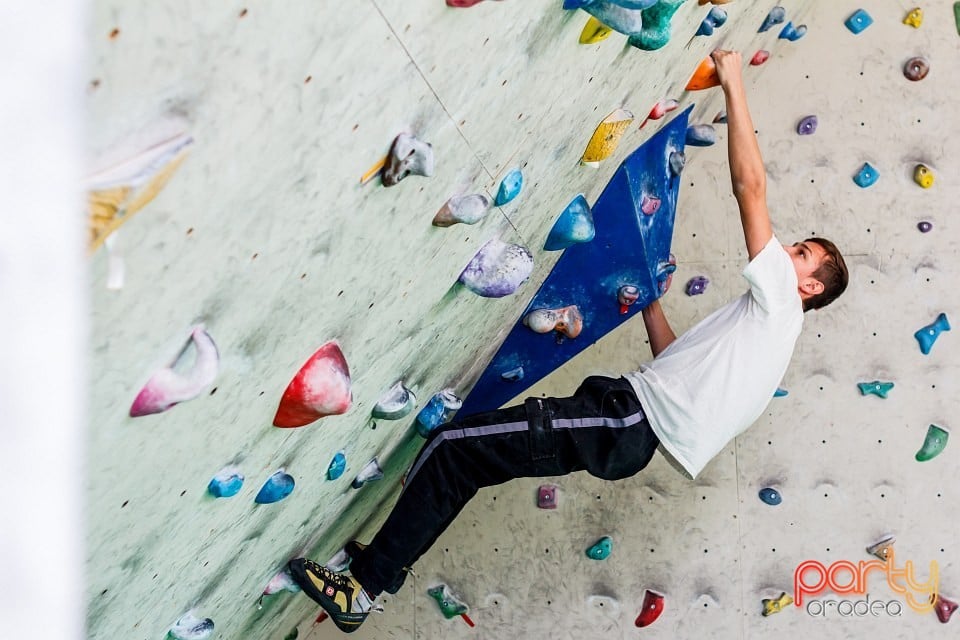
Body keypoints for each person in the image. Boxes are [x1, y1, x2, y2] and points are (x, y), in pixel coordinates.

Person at [287, 50, 849, 634]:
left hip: (626, 422)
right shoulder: (766, 331)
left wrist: (733, 85)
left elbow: (749, 188)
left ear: (808, 285)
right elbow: (674, 365)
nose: (786, 251)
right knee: (465, 458)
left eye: (801, 253)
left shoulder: (783, 300)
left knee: (456, 447)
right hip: (629, 426)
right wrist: (650, 304)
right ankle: (375, 571)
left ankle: (367, 585)